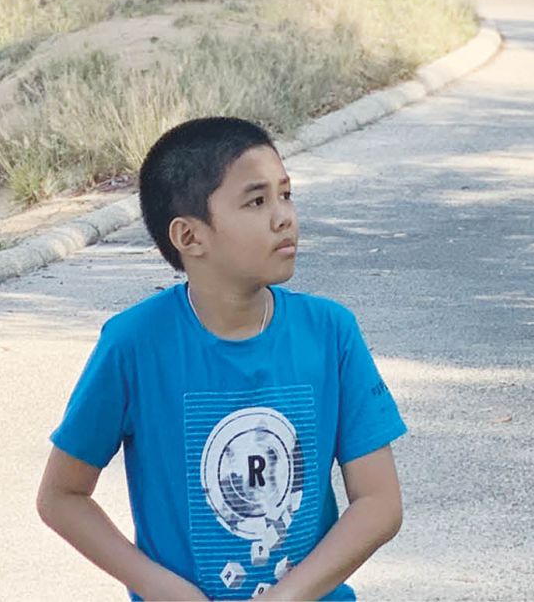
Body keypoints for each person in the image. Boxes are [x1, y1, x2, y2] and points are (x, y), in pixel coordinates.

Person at [38, 116, 406, 601]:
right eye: (256, 201)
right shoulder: (134, 344)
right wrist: (160, 587)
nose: (283, 217)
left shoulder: (331, 332)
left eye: (286, 194)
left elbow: (379, 503)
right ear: (190, 237)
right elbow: (62, 496)